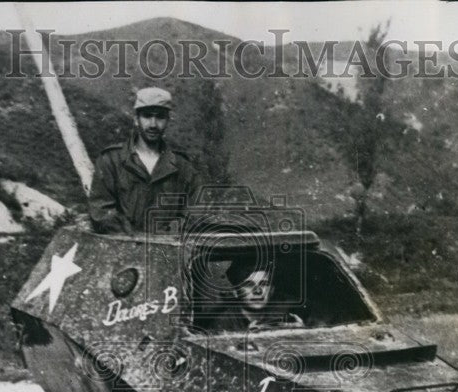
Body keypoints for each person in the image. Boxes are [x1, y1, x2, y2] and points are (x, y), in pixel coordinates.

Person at [88, 87, 202, 234]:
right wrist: (133, 239)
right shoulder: (111, 160)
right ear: (136, 119)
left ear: (168, 120)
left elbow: (195, 212)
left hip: (166, 251)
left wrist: (167, 234)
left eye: (160, 117)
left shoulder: (183, 166)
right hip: (122, 249)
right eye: (147, 116)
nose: (153, 124)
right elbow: (101, 211)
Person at [207, 257, 304, 332]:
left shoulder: (283, 317)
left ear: (272, 290)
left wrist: (300, 334)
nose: (258, 291)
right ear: (235, 292)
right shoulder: (222, 322)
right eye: (249, 285)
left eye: (264, 284)